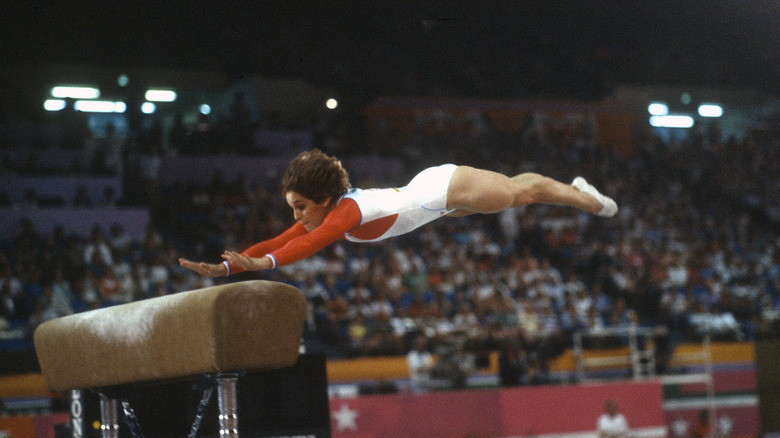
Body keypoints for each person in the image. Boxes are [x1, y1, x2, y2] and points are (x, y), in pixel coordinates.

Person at [179, 149, 617, 277]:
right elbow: (283, 239)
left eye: (300, 206)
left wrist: (262, 263)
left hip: (446, 187)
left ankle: (585, 197)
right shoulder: (327, 212)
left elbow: (308, 243)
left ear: (324, 200)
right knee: (517, 195)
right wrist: (229, 266)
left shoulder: (344, 214)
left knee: (522, 194)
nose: (297, 216)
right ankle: (581, 195)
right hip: (435, 206)